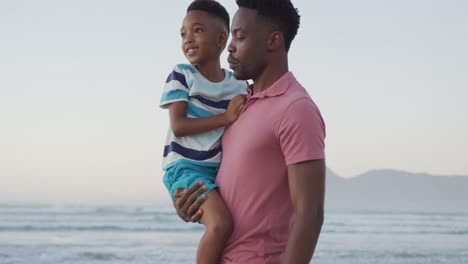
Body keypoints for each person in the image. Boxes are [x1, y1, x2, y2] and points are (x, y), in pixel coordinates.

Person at [172, 0, 326, 263]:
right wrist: (193, 206)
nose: (230, 46)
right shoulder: (240, 104)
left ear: (273, 41)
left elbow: (309, 215)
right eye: (231, 35)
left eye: (240, 37)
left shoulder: (296, 108)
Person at [159, 0, 247, 263]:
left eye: (197, 30)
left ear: (221, 39)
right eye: (183, 33)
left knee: (233, 226)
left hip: (217, 169)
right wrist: (226, 117)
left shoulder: (238, 84)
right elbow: (179, 125)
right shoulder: (182, 74)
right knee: (220, 225)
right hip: (185, 168)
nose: (188, 39)